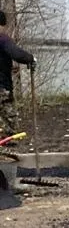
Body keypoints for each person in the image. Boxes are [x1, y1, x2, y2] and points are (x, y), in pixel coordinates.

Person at [0, 10, 35, 138]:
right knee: (11, 127)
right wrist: (30, 58)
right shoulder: (2, 39)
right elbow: (17, 54)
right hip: (2, 89)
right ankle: (7, 149)